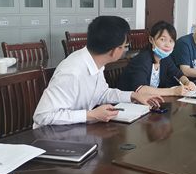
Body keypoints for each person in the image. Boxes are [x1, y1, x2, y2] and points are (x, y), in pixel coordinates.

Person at [33, 15, 162, 128]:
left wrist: (134, 96)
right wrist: (90, 115)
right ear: (114, 50)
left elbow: (101, 93)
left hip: (76, 130)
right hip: (51, 136)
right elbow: (42, 116)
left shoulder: (96, 62)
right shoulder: (72, 72)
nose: (124, 50)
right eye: (124, 47)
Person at [118, 20, 196, 96]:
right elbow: (140, 89)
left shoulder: (165, 58)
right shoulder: (142, 59)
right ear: (151, 39)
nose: (167, 45)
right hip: (128, 102)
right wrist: (173, 91)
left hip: (149, 100)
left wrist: (187, 82)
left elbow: (178, 74)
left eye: (171, 41)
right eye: (162, 39)